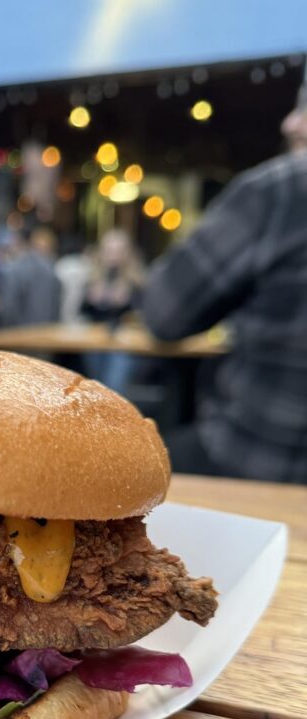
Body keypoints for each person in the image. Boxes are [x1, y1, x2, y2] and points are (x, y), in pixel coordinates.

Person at [141, 86, 307, 483]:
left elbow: (163, 312)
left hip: (260, 461)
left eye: (304, 108)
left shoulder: (282, 189)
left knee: (123, 460)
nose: (290, 123)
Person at [80, 229, 144, 392]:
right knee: (95, 387)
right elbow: (82, 313)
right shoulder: (93, 279)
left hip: (124, 344)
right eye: (109, 251)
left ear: (127, 254)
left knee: (113, 387)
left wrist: (126, 303)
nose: (113, 256)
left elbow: (143, 317)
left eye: (118, 251)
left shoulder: (136, 282)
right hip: (95, 343)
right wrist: (92, 301)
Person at [0, 226, 61, 327]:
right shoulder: (52, 272)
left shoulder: (15, 270)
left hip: (18, 336)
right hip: (47, 335)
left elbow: (9, 309)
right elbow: (56, 310)